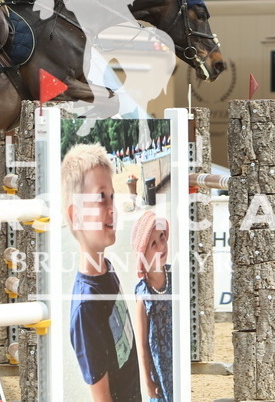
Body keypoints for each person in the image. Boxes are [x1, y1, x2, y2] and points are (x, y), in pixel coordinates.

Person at [61, 143, 141, 402]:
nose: (111, 209)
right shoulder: (86, 309)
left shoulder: (107, 270)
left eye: (112, 197)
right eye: (99, 198)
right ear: (75, 215)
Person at [130, 211, 173, 402]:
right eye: (153, 244)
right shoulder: (144, 294)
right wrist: (147, 380)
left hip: (179, 362)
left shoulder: (176, 277)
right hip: (160, 371)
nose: (161, 246)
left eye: (161, 237)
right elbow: (142, 344)